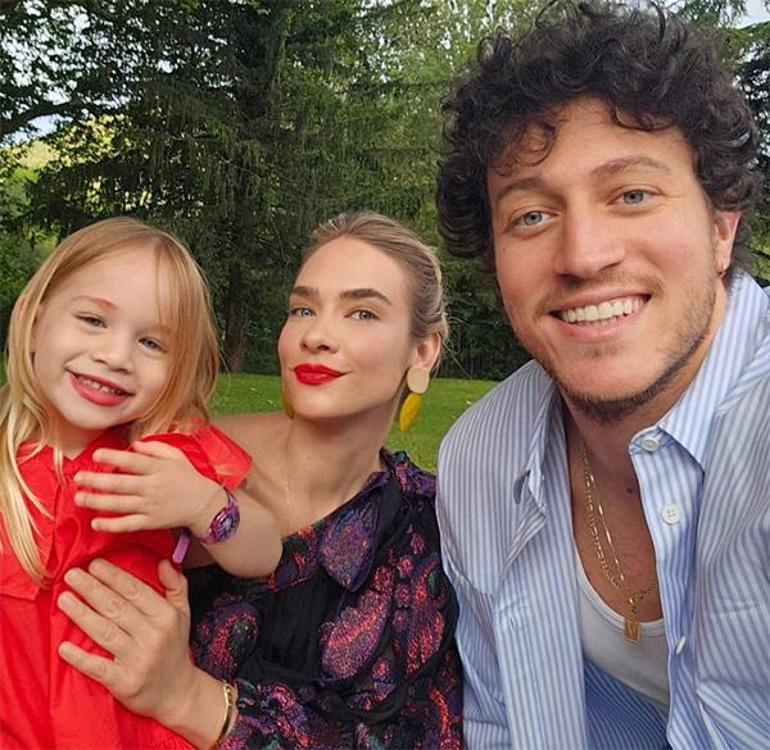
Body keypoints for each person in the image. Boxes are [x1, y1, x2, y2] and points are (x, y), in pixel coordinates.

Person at [435, 2, 770, 747]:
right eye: (531, 216)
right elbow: (499, 724)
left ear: (721, 227)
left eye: (632, 195)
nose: (583, 255)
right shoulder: (478, 462)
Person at [55, 211, 464, 749]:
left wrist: (189, 699)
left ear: (423, 350)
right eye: (303, 309)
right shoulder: (178, 458)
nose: (316, 335)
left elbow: (405, 736)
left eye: (362, 313)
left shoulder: (428, 532)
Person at [0, 217, 282, 749]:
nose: (115, 356)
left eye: (151, 343)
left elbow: (264, 548)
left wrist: (203, 504)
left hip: (123, 731)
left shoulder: (162, 455)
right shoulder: (7, 465)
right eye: (92, 320)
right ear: (35, 323)